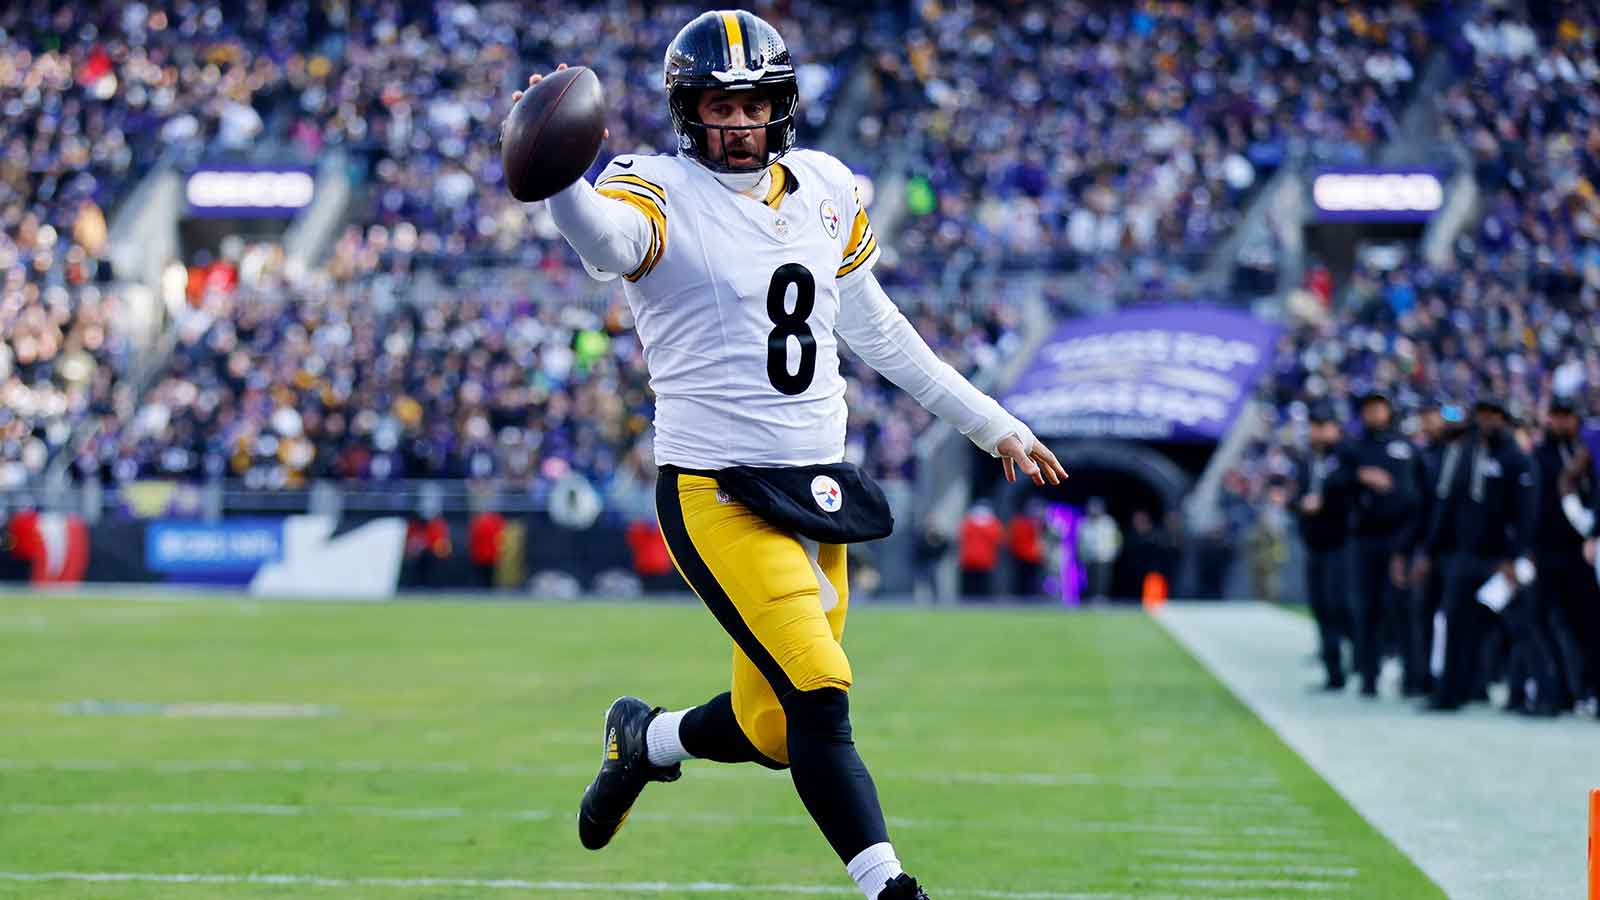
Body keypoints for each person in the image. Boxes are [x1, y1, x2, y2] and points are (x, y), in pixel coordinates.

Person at [516, 14, 1067, 900]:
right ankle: (891, 887)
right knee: (820, 690)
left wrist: (989, 422)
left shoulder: (824, 185)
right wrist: (557, 176)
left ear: (783, 107)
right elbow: (607, 245)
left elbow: (876, 326)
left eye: (753, 103)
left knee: (775, 731)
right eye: (717, 105)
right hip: (717, 490)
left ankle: (644, 741)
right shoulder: (650, 185)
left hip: (819, 489)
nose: (737, 123)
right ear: (687, 112)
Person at [1422, 398, 1538, 713]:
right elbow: (1448, 507)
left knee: (1519, 628)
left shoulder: (1516, 459)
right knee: (1457, 623)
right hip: (1466, 555)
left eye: (1493, 416)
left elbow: (1526, 515)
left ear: (1504, 418)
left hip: (1501, 560)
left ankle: (1527, 694)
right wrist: (1431, 551)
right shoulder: (1466, 454)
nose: (1487, 422)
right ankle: (1450, 692)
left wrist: (1516, 557)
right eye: (1482, 416)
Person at [1345, 388, 1421, 697]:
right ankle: (1367, 674)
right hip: (1364, 538)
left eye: (1380, 408)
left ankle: (1412, 676)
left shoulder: (1403, 447)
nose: (1375, 414)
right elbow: (1336, 486)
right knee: (1367, 609)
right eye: (1370, 408)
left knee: (1402, 609)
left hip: (1397, 539)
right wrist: (1360, 477)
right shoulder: (1353, 449)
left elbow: (1414, 496)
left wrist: (1405, 544)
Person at [1293, 402, 1353, 691]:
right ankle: (1333, 670)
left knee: (1338, 605)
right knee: (1320, 607)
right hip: (1314, 543)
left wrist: (1324, 502)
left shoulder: (1346, 456)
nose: (1317, 431)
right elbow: (1297, 498)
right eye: (1314, 426)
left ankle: (1358, 660)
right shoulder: (1307, 460)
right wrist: (1299, 505)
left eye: (1322, 426)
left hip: (1341, 543)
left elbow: (1350, 494)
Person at [957, 501, 1005, 600]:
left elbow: (998, 539)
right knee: (973, 585)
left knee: (980, 584)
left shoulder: (969, 523)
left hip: (980, 560)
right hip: (973, 560)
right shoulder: (989, 524)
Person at [1077, 497, 1121, 601]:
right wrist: (1080, 554)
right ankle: (1091, 596)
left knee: (1102, 578)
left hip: (1104, 556)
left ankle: (1102, 597)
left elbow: (1117, 539)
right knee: (1089, 578)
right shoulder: (1084, 523)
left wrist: (1114, 552)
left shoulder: (1109, 522)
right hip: (1089, 556)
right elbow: (1080, 541)